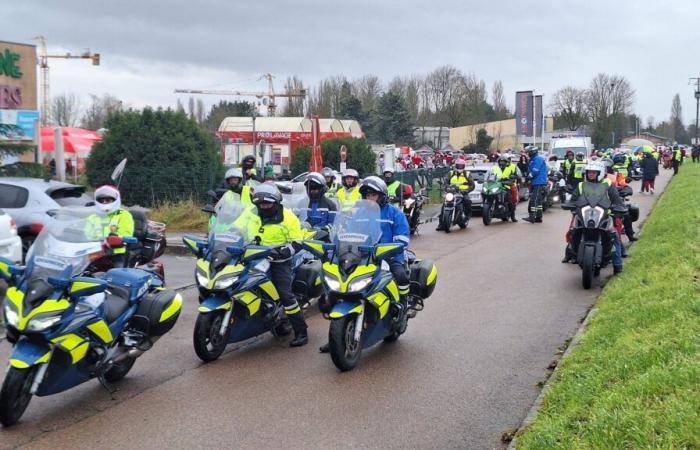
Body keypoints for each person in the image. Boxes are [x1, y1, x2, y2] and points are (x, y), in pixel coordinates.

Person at [319, 176, 411, 353]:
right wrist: (338, 242)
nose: (370, 198)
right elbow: (347, 232)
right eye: (367, 195)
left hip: (388, 255)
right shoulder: (359, 214)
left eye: (373, 195)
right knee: (340, 284)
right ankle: (335, 338)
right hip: (362, 256)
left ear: (382, 195)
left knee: (400, 274)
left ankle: (403, 307)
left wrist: (393, 246)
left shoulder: (395, 213)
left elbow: (403, 238)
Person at [244, 183, 309, 347]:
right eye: (261, 204)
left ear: (276, 203)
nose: (264, 207)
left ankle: (301, 332)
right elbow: (238, 231)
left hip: (279, 261)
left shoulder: (288, 217)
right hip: (253, 256)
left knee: (285, 294)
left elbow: (297, 242)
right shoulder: (251, 214)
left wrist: (284, 252)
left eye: (267, 204)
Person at [563, 162, 625, 274]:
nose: (590, 174)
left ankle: (618, 264)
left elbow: (617, 200)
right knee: (573, 231)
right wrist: (570, 204)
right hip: (585, 214)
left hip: (605, 215)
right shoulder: (581, 185)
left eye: (593, 172)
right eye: (589, 172)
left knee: (614, 236)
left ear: (600, 173)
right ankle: (570, 253)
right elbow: (574, 199)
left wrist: (619, 207)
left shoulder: (608, 184)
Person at [85, 185, 135, 268]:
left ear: (115, 200)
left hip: (116, 253)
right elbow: (86, 233)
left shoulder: (124, 215)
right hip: (94, 252)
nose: (104, 202)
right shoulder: (93, 216)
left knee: (119, 276)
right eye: (102, 200)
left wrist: (115, 238)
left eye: (107, 200)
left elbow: (126, 233)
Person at [490, 156, 519, 222]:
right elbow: (490, 175)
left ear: (506, 163)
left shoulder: (510, 168)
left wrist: (510, 178)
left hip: (506, 186)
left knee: (510, 200)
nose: (502, 163)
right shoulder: (495, 168)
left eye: (503, 162)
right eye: (500, 162)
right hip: (496, 185)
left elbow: (515, 176)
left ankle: (512, 216)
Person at [522, 146, 547, 223]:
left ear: (532, 152)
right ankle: (539, 217)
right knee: (538, 201)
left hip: (538, 182)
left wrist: (528, 177)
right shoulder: (533, 159)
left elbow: (535, 171)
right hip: (536, 181)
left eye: (528, 152)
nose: (527, 154)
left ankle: (532, 217)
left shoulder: (538, 159)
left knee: (534, 199)